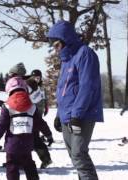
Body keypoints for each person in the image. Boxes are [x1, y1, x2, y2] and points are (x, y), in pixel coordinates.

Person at [47, 20, 103, 180]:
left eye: (57, 45)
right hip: (67, 115)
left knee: (79, 155)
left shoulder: (85, 54)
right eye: (53, 46)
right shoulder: (66, 60)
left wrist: (76, 115)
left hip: (82, 114)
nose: (55, 50)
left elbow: (87, 86)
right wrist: (59, 114)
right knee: (74, 156)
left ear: (66, 40)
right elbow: (63, 90)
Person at [0, 77, 52, 180]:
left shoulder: (7, 106)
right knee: (29, 165)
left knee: (12, 167)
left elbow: (1, 124)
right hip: (27, 143)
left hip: (12, 144)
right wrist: (48, 134)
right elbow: (40, 123)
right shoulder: (32, 107)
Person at [26, 69, 53, 169]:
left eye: (38, 77)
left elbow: (44, 98)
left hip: (37, 111)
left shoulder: (41, 87)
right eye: (34, 77)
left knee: (33, 136)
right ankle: (45, 159)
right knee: (33, 136)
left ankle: (45, 159)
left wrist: (46, 107)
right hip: (31, 111)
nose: (36, 79)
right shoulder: (28, 85)